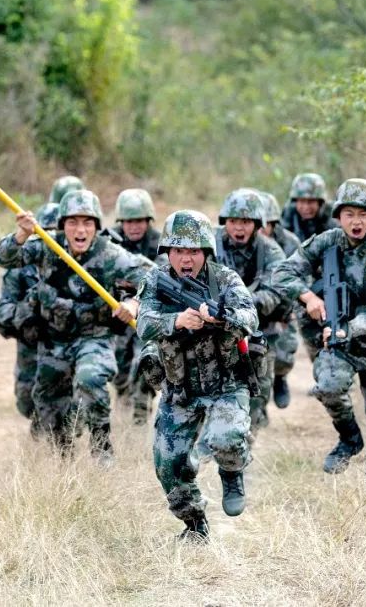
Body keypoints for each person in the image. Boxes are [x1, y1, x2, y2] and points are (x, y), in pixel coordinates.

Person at [268, 179, 366, 505]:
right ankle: (349, 438)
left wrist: (350, 328)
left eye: (363, 214)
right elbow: (282, 273)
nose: (356, 222)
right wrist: (308, 298)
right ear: (338, 215)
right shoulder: (326, 242)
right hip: (338, 344)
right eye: (349, 214)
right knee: (328, 386)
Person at [0, 190, 153, 461]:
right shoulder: (46, 246)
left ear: (97, 226)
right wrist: (21, 234)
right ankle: (64, 462)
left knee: (90, 379)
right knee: (48, 407)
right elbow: (3, 259)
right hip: (53, 341)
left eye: (87, 223)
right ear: (62, 225)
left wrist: (134, 304)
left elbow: (152, 279)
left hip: (95, 338)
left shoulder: (111, 254)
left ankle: (101, 448)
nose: (80, 230)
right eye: (73, 222)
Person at [135, 210, 260, 542]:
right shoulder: (155, 280)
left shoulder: (226, 279)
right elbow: (143, 324)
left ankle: (232, 472)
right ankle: (194, 525)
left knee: (226, 439)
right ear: (168, 252)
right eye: (178, 251)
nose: (186, 259)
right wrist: (177, 321)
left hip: (226, 384)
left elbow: (251, 318)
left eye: (193, 251)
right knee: (168, 466)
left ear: (206, 251)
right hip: (180, 390)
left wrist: (222, 317)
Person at [213, 188, 287, 432]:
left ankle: (246, 440)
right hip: (212, 328)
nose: (239, 228)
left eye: (245, 222)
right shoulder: (209, 243)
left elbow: (275, 293)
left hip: (258, 331)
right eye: (233, 221)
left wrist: (238, 307)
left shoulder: (272, 251)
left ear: (257, 224)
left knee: (257, 392)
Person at [0, 202, 59, 434]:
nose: (51, 238)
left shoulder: (78, 266)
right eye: (46, 232)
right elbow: (2, 315)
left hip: (65, 344)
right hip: (31, 345)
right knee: (26, 402)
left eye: (57, 232)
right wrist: (30, 307)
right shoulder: (20, 267)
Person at [107, 188, 161, 422]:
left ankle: (140, 413)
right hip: (116, 316)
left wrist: (136, 300)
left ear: (148, 221)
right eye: (129, 221)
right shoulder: (109, 241)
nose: (134, 226)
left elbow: (162, 279)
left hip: (149, 315)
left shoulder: (162, 244)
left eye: (139, 221)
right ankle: (123, 394)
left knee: (146, 363)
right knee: (118, 368)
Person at [258, 191, 301, 409]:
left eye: (264, 224)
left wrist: (288, 309)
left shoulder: (290, 243)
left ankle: (280, 378)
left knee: (283, 357)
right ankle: (259, 409)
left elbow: (300, 279)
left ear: (274, 224)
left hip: (282, 310)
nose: (259, 230)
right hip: (254, 307)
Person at [280, 173, 333, 242]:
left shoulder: (331, 215)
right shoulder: (289, 214)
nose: (306, 207)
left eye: (311, 201)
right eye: (302, 201)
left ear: (320, 203)